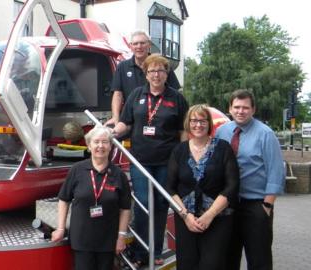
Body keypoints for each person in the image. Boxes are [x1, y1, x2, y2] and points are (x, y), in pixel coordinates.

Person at [112, 54, 188, 267]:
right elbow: (125, 123)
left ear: (166, 74)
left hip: (167, 161)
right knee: (144, 203)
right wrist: (112, 132)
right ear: (146, 74)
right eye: (152, 71)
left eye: (161, 70)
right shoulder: (136, 95)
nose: (156, 75)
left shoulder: (177, 98)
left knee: (161, 204)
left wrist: (182, 156)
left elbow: (183, 130)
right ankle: (140, 250)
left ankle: (154, 250)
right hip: (141, 162)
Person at [215, 89, 285, 270]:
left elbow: (276, 171)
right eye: (236, 107)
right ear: (229, 108)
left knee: (258, 258)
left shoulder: (265, 134)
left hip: (255, 205)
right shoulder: (221, 132)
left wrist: (267, 206)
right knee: (228, 256)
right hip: (227, 205)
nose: (240, 111)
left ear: (253, 109)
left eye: (245, 107)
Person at [167, 104, 239, 269]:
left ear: (209, 123)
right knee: (187, 264)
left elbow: (232, 185)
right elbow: (170, 188)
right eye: (194, 120)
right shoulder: (179, 151)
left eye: (202, 120)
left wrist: (210, 215)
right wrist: (186, 216)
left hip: (218, 218)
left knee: (212, 264)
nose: (198, 125)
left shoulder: (223, 148)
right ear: (188, 123)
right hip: (187, 219)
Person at [51, 126, 132, 270]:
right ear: (89, 146)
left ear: (110, 146)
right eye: (96, 142)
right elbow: (64, 200)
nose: (100, 146)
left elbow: (125, 209)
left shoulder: (118, 175)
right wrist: (60, 228)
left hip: (108, 240)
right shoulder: (77, 170)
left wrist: (121, 237)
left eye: (105, 142)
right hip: (82, 239)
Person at [105, 31, 181, 127]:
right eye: (135, 43)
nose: (139, 46)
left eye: (142, 43)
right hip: (133, 121)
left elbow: (175, 92)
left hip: (160, 121)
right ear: (130, 46)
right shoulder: (122, 67)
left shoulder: (162, 65)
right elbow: (117, 94)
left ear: (149, 44)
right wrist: (115, 117)